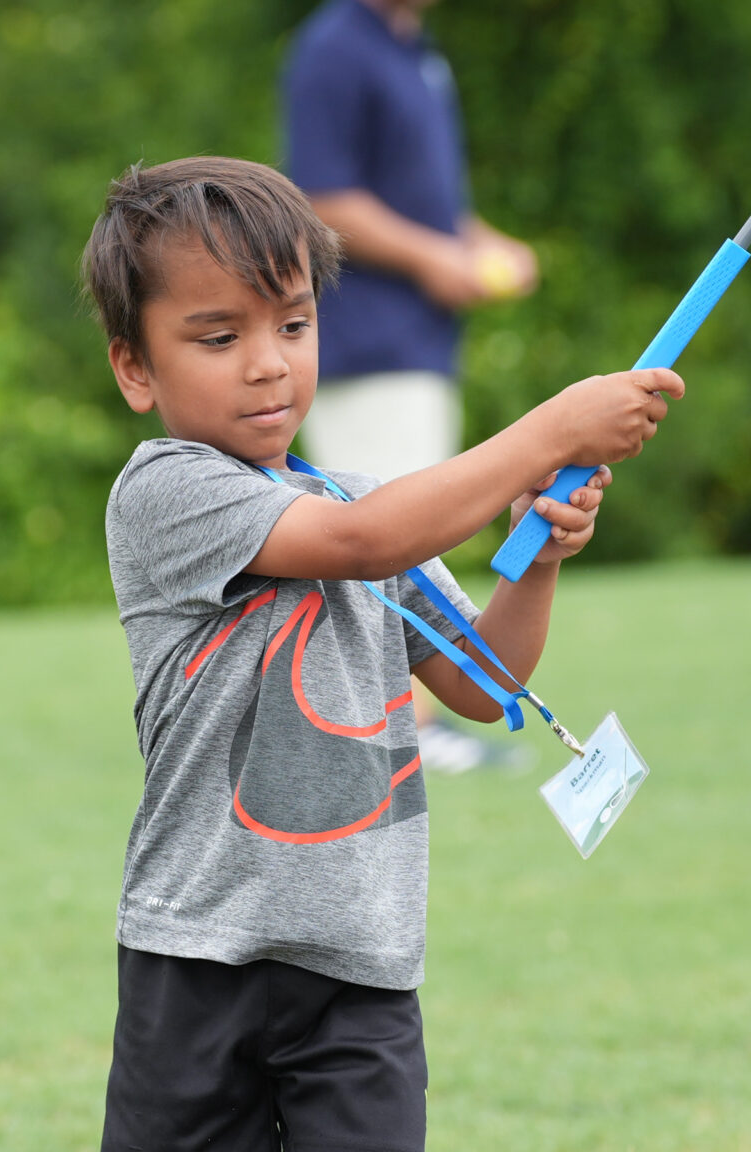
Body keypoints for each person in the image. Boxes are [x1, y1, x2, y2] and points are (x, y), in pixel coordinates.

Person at [79, 156, 679, 1152]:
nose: (267, 361)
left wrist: (534, 546)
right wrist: (543, 426)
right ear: (136, 368)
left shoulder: (357, 500)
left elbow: (476, 679)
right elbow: (359, 545)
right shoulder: (169, 496)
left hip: (351, 957)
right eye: (216, 335)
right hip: (196, 954)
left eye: (288, 323)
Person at [282, 0, 541, 774]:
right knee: (387, 536)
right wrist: (434, 258)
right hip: (365, 343)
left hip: (422, 343)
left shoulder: (417, 48)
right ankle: (409, 731)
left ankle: (411, 725)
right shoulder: (334, 47)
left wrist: (474, 243)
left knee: (417, 538)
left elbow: (425, 198)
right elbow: (322, 196)